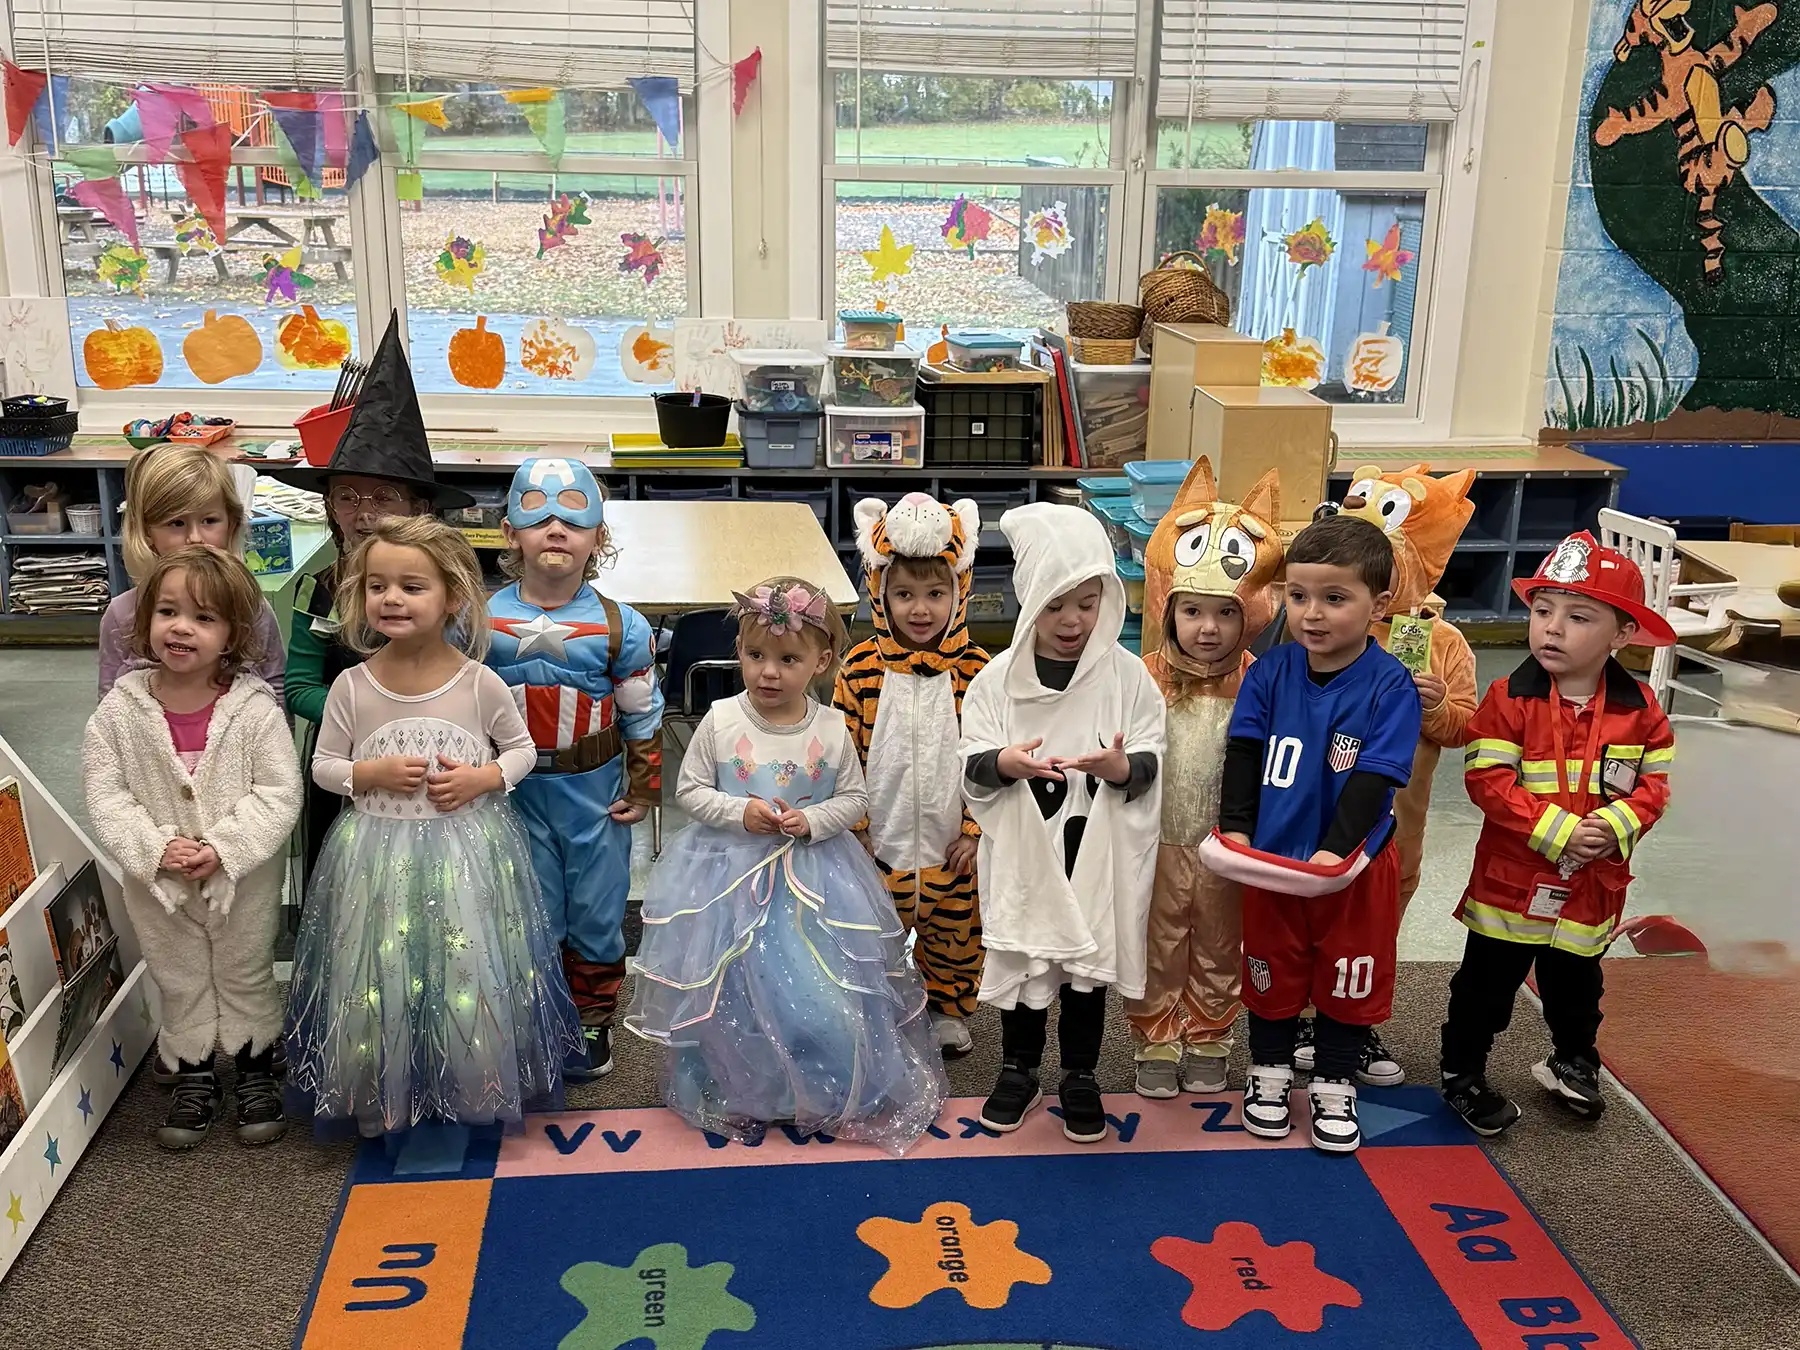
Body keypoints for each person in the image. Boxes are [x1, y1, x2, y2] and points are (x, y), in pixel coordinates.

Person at [626, 576, 947, 1155]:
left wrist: (816, 820)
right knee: (733, 988)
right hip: (728, 876)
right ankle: (751, 1088)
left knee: (817, 990)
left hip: (815, 881)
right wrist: (740, 811)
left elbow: (856, 798)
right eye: (755, 656)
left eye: (787, 659)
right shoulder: (721, 719)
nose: (768, 672)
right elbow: (691, 791)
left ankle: (820, 1084)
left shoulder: (829, 728)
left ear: (822, 662)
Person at [284, 516, 582, 1139]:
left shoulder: (479, 683)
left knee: (465, 967)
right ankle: (381, 1089)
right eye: (377, 586)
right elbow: (323, 767)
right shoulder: (352, 685)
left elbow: (522, 751)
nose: (390, 598)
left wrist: (484, 779)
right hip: (376, 856)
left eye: (411, 586)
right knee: (378, 972)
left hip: (464, 854)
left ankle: (470, 1087)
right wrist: (367, 773)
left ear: (452, 597)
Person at [1440, 532, 1677, 1135]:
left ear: (1622, 634)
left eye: (1578, 617)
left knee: (1578, 986)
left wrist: (1613, 826)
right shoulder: (1507, 698)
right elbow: (1487, 779)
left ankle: (1575, 1060)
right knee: (1485, 987)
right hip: (1511, 885)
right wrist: (1559, 830)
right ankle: (1462, 1073)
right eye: (1542, 611)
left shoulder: (1642, 708)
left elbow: (1654, 787)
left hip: (1592, 885)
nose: (1552, 628)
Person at [1202, 514, 1422, 1154]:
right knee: (1271, 968)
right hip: (1273, 862)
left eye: (1334, 598)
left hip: (1349, 867)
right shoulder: (1269, 671)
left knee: (1349, 974)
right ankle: (1267, 1072)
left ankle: (1333, 1079)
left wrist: (1333, 851)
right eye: (1297, 597)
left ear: (1378, 605)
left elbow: (1377, 776)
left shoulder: (1390, 683)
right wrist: (1238, 830)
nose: (1312, 614)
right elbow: (1243, 751)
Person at [83, 545, 302, 1149]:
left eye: (204, 618)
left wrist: (226, 846)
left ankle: (254, 1066)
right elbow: (105, 793)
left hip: (244, 881)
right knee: (178, 974)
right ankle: (194, 1071)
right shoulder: (120, 711)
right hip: (160, 886)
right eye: (169, 613)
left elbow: (279, 792)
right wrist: (154, 848)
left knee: (245, 968)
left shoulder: (255, 710)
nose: (182, 628)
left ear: (232, 634)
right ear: (146, 620)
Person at [960, 504, 1165, 1144]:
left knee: (1085, 967)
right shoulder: (996, 682)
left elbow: (1154, 755)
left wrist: (1121, 765)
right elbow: (972, 765)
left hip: (1093, 849)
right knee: (1026, 958)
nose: (1072, 620)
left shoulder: (1127, 677)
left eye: (1085, 602)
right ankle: (1017, 1069)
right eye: (1054, 606)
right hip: (1028, 851)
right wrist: (1006, 763)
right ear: (1029, 606)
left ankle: (1079, 1073)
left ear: (1106, 598)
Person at [1296, 464, 1481, 1087]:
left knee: (1374, 927)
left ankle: (1351, 1022)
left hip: (1396, 827)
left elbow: (1464, 728)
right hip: (1312, 811)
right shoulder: (1322, 624)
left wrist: (1433, 704)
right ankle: (1294, 1014)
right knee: (1303, 917)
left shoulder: (1442, 640)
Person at [274, 311, 473, 882]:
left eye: (383, 496)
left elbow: (471, 673)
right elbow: (299, 687)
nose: (363, 513)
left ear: (418, 508)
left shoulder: (448, 594)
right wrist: (360, 714)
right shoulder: (320, 591)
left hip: (436, 764)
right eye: (347, 496)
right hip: (351, 771)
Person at [487, 457, 663, 1082]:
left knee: (596, 906)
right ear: (511, 533)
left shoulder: (622, 625)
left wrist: (643, 787)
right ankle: (535, 1014)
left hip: (595, 795)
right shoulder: (476, 621)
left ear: (598, 538)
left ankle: (591, 1018)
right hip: (511, 792)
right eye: (541, 517)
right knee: (527, 905)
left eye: (575, 519)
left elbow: (642, 711)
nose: (557, 530)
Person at [1126, 461, 1283, 1098]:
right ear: (1169, 608)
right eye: (1192, 611)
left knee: (1222, 937)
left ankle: (1212, 1030)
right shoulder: (1141, 676)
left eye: (1225, 613)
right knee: (1158, 936)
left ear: (1249, 614)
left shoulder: (1260, 681)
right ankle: (1156, 1037)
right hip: (1155, 836)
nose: (1208, 628)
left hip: (1228, 842)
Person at [833, 493, 991, 1058]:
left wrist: (975, 830)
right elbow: (843, 753)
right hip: (882, 837)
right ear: (880, 595)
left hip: (952, 840)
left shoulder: (978, 670)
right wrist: (856, 827)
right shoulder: (860, 668)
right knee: (873, 930)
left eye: (935, 593)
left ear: (959, 592)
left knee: (956, 933)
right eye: (903, 594)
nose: (920, 609)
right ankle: (880, 1003)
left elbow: (989, 759)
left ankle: (948, 1006)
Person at [99, 441, 285, 700]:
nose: (195, 537)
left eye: (209, 521)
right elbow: (108, 704)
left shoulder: (252, 608)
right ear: (146, 531)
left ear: (230, 524)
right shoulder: (121, 615)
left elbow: (275, 688)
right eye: (176, 523)